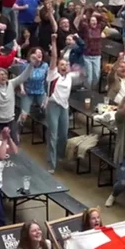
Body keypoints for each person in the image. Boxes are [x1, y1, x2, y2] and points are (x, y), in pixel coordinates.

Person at [45, 34, 82, 173]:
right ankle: (51, 163)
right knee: (53, 135)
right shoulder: (53, 75)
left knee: (63, 134)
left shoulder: (70, 77)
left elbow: (81, 71)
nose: (64, 66)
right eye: (62, 65)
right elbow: (54, 57)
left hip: (64, 107)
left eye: (66, 65)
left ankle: (59, 156)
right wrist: (54, 41)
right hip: (53, 106)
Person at [0, 53, 36, 144]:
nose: (4, 76)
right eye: (1, 75)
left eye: (5, 74)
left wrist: (31, 65)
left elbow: (23, 77)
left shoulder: (11, 83)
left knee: (14, 144)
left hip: (10, 121)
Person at [77, 9, 107, 91]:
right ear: (89, 22)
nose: (94, 22)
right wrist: (85, 15)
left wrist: (98, 14)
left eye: (95, 20)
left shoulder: (99, 28)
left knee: (97, 75)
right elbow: (81, 24)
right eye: (92, 20)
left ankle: (91, 89)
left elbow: (104, 20)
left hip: (97, 55)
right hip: (88, 55)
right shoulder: (86, 28)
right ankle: (87, 90)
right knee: (89, 76)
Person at [19, 47, 49, 125]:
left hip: (40, 91)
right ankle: (18, 129)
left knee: (48, 109)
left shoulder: (45, 66)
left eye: (41, 53)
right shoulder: (25, 65)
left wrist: (47, 95)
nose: (40, 54)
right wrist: (22, 89)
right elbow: (21, 79)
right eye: (37, 53)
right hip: (28, 92)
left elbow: (48, 80)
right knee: (24, 114)